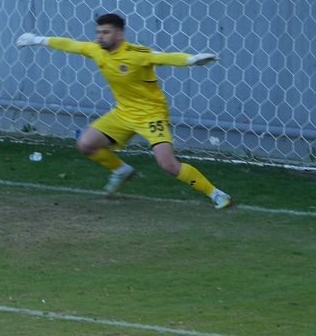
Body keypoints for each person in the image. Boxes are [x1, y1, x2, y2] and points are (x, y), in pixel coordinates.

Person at [16, 12, 232, 208]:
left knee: (167, 164)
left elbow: (163, 57)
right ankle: (121, 171)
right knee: (85, 144)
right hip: (123, 113)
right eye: (98, 32)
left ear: (119, 34)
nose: (100, 37)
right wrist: (37, 40)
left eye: (106, 32)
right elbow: (70, 44)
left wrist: (192, 60)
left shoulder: (136, 53)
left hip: (151, 115)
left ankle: (216, 194)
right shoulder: (96, 50)